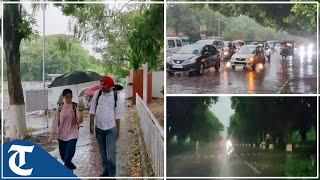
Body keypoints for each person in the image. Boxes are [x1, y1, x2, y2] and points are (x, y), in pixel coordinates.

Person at [89, 75, 121, 177]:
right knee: (102, 151)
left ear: (110, 86)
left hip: (111, 128)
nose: (102, 87)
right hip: (99, 128)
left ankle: (112, 174)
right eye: (101, 85)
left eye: (104, 86)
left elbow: (118, 115)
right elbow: (92, 110)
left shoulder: (116, 96)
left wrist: (118, 131)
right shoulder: (97, 94)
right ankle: (105, 171)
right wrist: (91, 124)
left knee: (111, 152)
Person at [50, 89, 84, 170]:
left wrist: (80, 110)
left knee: (68, 157)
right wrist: (52, 134)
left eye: (70, 97)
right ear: (63, 97)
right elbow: (55, 121)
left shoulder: (75, 106)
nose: (69, 99)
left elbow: (80, 121)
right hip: (61, 135)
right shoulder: (60, 107)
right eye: (67, 97)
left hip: (73, 134)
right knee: (63, 157)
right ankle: (70, 165)